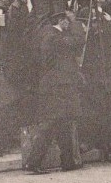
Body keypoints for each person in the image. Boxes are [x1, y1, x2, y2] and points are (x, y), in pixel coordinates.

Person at [25, 10, 86, 174]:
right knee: (51, 123)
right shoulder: (53, 36)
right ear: (61, 21)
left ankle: (68, 161)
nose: (69, 25)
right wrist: (75, 22)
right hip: (57, 85)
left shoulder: (49, 34)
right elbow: (79, 41)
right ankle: (33, 162)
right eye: (67, 21)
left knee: (64, 122)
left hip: (59, 84)